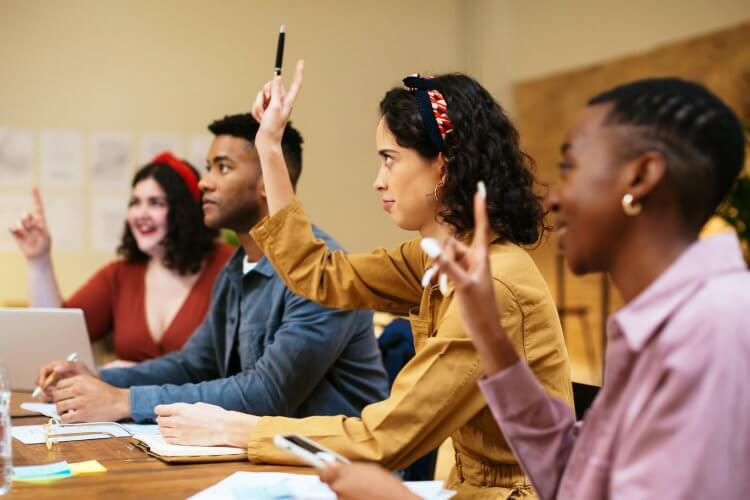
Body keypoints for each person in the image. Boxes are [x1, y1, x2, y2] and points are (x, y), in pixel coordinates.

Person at [156, 63, 573, 499]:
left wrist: (241, 429)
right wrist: (270, 148)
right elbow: (322, 274)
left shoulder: (494, 284)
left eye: (389, 160)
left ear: (443, 169)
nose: (378, 182)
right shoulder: (443, 257)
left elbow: (384, 439)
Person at [320, 77, 750, 499]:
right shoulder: (661, 322)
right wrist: (491, 335)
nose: (555, 197)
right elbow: (574, 481)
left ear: (640, 178)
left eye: (570, 168)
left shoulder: (714, 328)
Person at [36, 114, 389, 426]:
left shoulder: (324, 271)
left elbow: (266, 395)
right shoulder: (235, 269)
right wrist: (101, 380)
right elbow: (194, 364)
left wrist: (121, 401)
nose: (204, 182)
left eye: (223, 167)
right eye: (208, 168)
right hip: (269, 459)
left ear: (269, 178)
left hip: (338, 473)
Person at [9, 153, 234, 364]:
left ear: (184, 211)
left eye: (156, 203)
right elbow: (55, 337)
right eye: (135, 202)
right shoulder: (120, 275)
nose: (140, 214)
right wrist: (38, 260)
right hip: (129, 407)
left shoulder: (228, 265)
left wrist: (135, 376)